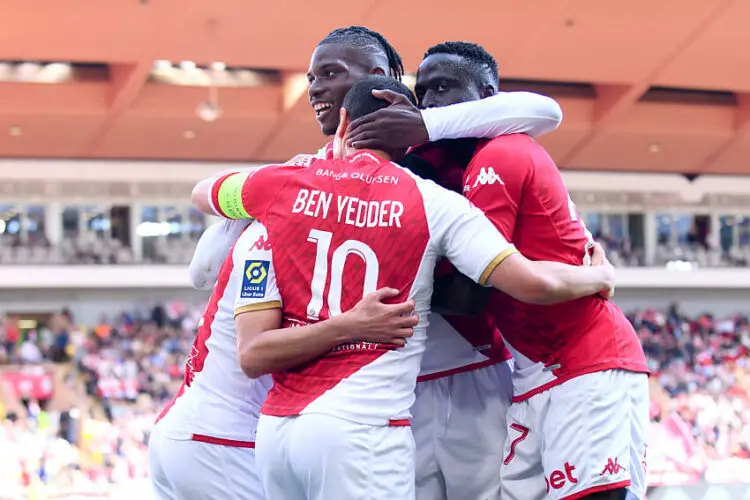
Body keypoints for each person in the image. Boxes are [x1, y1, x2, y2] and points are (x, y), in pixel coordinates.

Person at [191, 75, 615, 500]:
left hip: (278, 436)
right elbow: (532, 283)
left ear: (342, 123)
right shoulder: (437, 204)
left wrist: (258, 197)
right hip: (363, 430)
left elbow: (205, 194)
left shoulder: (282, 183)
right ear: (410, 140)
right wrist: (599, 276)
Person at [407, 42, 648, 500]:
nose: (431, 102)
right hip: (536, 371)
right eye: (423, 92)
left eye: (443, 87)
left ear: (488, 94)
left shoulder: (498, 156)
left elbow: (474, 288)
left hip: (582, 361)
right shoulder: (469, 162)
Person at [149, 219, 416, 500]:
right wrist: (351, 327)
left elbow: (199, 273)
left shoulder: (263, 219)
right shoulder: (268, 238)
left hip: (189, 433)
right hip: (221, 442)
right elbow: (253, 354)